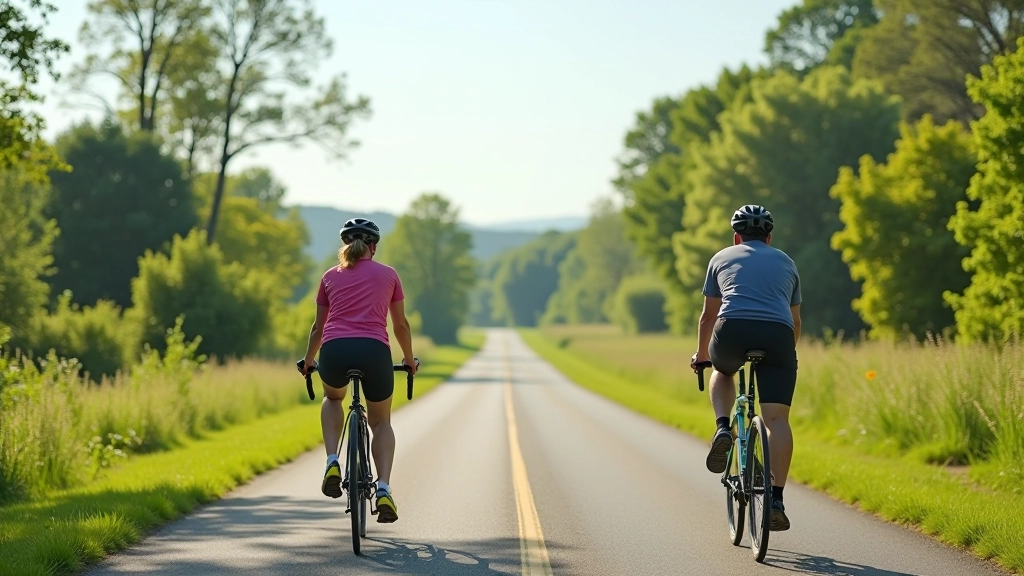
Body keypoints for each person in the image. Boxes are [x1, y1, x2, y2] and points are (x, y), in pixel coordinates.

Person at [689, 205, 801, 531]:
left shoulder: (721, 257)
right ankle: (776, 499)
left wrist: (701, 356)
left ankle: (724, 427)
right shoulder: (787, 262)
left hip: (732, 330)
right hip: (778, 334)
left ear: (737, 236)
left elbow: (708, 317)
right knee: (777, 420)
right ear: (769, 237)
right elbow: (795, 321)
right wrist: (782, 357)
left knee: (722, 371)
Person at [298, 218, 417, 524]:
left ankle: (333, 461)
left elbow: (318, 328)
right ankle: (384, 490)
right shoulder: (389, 274)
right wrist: (409, 360)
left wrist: (309, 360)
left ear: (345, 245)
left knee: (334, 399)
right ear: (373, 247)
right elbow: (400, 325)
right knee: (380, 422)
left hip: (336, 351)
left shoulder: (329, 276)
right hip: (375, 352)